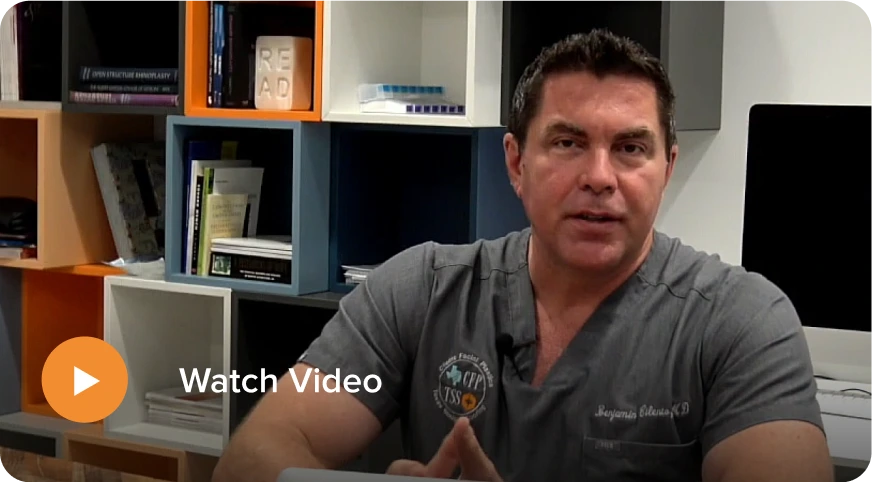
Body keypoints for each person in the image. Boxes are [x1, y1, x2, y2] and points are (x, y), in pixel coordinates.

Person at [211, 29, 833, 482]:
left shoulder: (742, 322)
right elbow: (254, 458)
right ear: (516, 163)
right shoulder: (419, 291)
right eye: (567, 143)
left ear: (666, 168)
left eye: (630, 148)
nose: (599, 177)